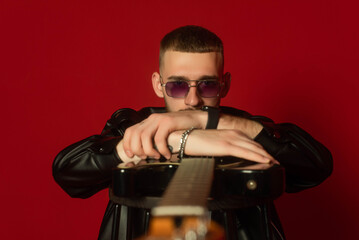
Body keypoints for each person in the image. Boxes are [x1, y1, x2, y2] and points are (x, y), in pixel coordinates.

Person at [53, 25, 333, 239]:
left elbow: (316, 166)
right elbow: (68, 171)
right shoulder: (132, 124)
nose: (192, 100)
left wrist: (215, 123)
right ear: (157, 84)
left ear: (224, 85)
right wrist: (181, 139)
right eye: (177, 85)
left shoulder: (244, 127)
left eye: (207, 85)